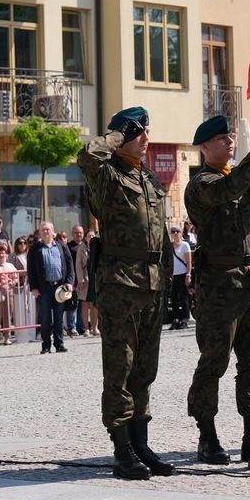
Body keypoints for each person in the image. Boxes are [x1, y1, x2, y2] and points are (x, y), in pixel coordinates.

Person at [77, 106, 174, 480]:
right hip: (120, 284)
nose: (146, 136)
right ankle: (122, 449)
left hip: (150, 283)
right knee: (120, 367)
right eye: (139, 132)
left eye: (146, 129)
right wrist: (119, 134)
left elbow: (161, 237)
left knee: (145, 370)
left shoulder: (148, 179)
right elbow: (87, 155)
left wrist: (168, 281)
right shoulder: (106, 175)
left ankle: (140, 442)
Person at [185, 113, 250, 464]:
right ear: (204, 147)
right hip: (219, 287)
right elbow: (233, 188)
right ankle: (207, 434)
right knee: (214, 361)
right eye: (223, 140)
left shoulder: (234, 177)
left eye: (231, 138)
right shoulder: (202, 184)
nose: (230, 143)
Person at [27, 221, 75, 354]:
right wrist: (34, 288)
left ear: (53, 232)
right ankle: (46, 346)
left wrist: (70, 282)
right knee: (45, 318)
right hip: (44, 289)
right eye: (43, 230)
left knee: (59, 317)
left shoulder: (61, 246)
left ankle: (59, 344)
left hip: (59, 288)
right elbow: (30, 269)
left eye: (48, 229)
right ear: (40, 232)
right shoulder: (35, 248)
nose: (45, 232)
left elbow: (70, 265)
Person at [76, 229, 99, 336]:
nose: (91, 237)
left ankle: (95, 327)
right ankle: (86, 328)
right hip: (85, 278)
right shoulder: (81, 248)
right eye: (89, 236)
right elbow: (78, 265)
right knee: (85, 304)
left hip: (95, 278)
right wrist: (80, 280)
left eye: (93, 235)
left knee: (95, 304)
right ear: (85, 238)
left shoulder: (98, 248)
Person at [0, 244, 18, 345]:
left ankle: (6, 337)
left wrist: (13, 283)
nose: (1, 255)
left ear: (6, 254)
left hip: (9, 292)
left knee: (8, 315)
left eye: (3, 253)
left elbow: (16, 277)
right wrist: (0, 286)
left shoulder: (10, 265)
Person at [169, 225, 192, 329]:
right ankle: (175, 319)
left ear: (180, 233)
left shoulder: (185, 245)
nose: (175, 234)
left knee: (184, 298)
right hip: (174, 275)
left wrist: (188, 274)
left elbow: (188, 262)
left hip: (183, 274)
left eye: (177, 231)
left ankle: (185, 319)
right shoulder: (170, 246)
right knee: (173, 298)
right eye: (173, 232)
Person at [67, 225, 84, 335]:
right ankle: (72, 327)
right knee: (73, 304)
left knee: (82, 304)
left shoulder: (85, 246)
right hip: (73, 279)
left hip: (83, 279)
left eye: (80, 233)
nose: (79, 235)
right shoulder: (68, 247)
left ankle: (81, 326)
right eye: (76, 233)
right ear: (72, 234)